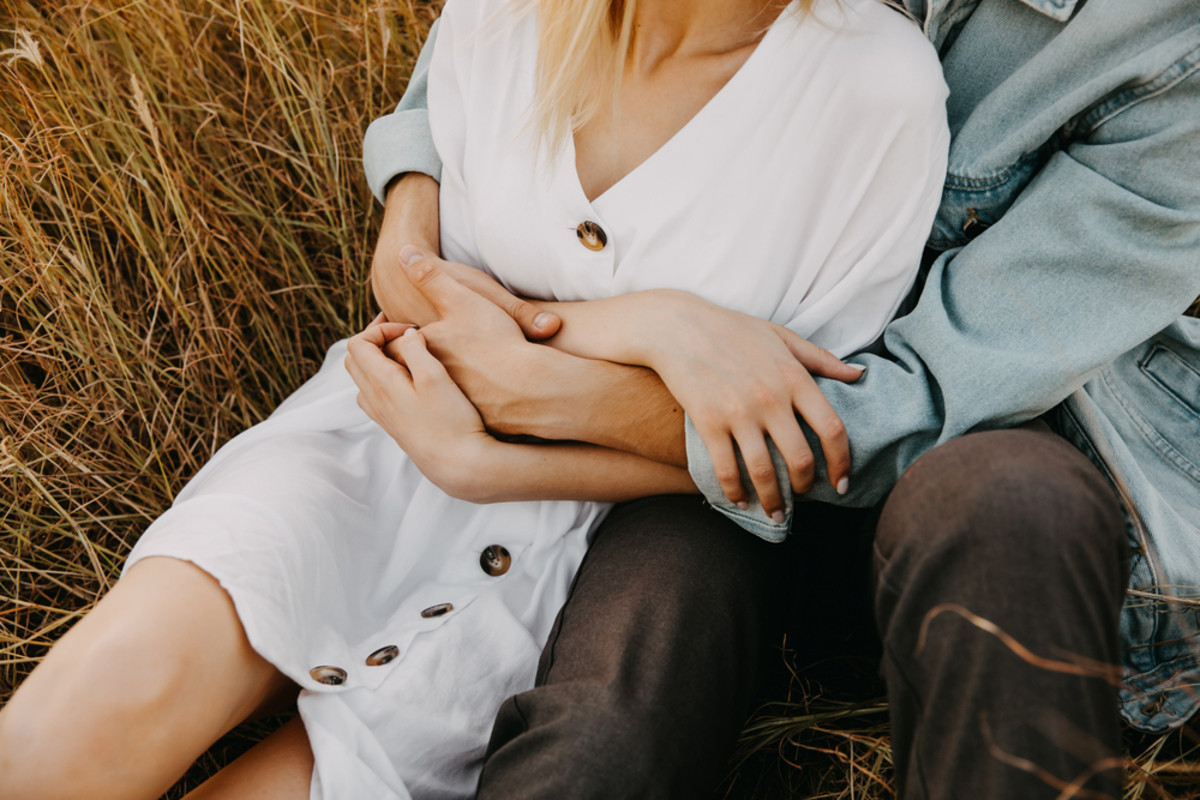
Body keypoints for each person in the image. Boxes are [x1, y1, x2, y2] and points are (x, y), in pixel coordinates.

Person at [0, 0, 950, 798]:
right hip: (374, 440)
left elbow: (786, 447)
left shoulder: (877, 95)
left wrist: (497, 461)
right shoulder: (512, 11)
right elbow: (418, 285)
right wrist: (652, 325)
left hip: (586, 546)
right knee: (66, 736)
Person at [362, 1, 1200, 798]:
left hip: (943, 455)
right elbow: (530, 30)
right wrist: (410, 211)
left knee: (1013, 507)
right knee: (599, 740)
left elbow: (916, 405)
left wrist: (556, 397)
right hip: (700, 478)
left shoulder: (1169, 47)